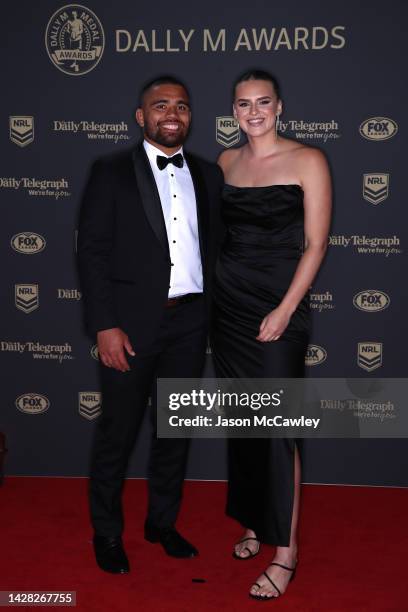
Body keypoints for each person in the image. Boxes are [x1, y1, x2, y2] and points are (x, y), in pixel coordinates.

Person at [77, 76, 223, 574]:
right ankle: (107, 533)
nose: (172, 113)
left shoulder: (207, 174)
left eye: (181, 106)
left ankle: (161, 523)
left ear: (190, 117)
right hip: (130, 326)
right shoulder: (111, 170)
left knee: (174, 432)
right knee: (117, 433)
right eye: (160, 105)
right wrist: (105, 325)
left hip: (189, 322)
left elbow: (219, 250)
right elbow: (92, 252)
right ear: (141, 116)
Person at [212, 69, 331, 600]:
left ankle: (287, 551)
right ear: (233, 111)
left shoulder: (309, 160)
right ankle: (256, 522)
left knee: (279, 425)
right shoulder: (225, 163)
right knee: (244, 420)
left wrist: (286, 309)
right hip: (230, 309)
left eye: (263, 102)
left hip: (279, 308)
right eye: (243, 104)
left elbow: (315, 245)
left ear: (280, 106)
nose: (253, 112)